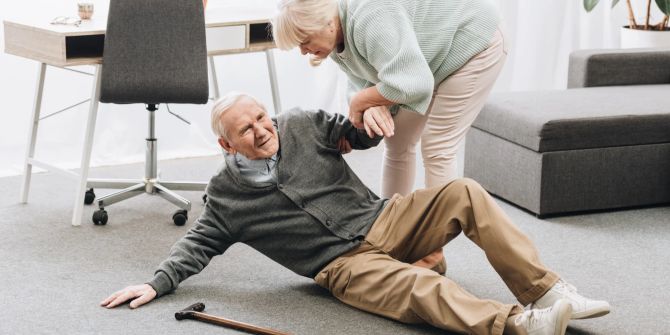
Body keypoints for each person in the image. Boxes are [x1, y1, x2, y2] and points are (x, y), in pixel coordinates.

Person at [101, 93, 610, 335]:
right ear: (226, 143)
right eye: (245, 129)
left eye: (260, 117)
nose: (260, 129)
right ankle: (519, 325)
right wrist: (157, 282)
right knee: (418, 288)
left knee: (464, 191)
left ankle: (544, 287)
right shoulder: (225, 197)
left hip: (386, 218)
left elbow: (352, 134)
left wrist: (371, 122)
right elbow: (196, 245)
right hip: (342, 266)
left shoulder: (299, 122)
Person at [272, 0, 506, 198]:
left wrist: (361, 102)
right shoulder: (334, 40)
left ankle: (435, 246)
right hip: (426, 61)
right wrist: (371, 104)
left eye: (304, 41)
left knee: (437, 146)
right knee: (398, 141)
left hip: (474, 40)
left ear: (327, 23)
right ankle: (394, 232)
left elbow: (414, 82)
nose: (303, 51)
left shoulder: (370, 16)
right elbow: (362, 80)